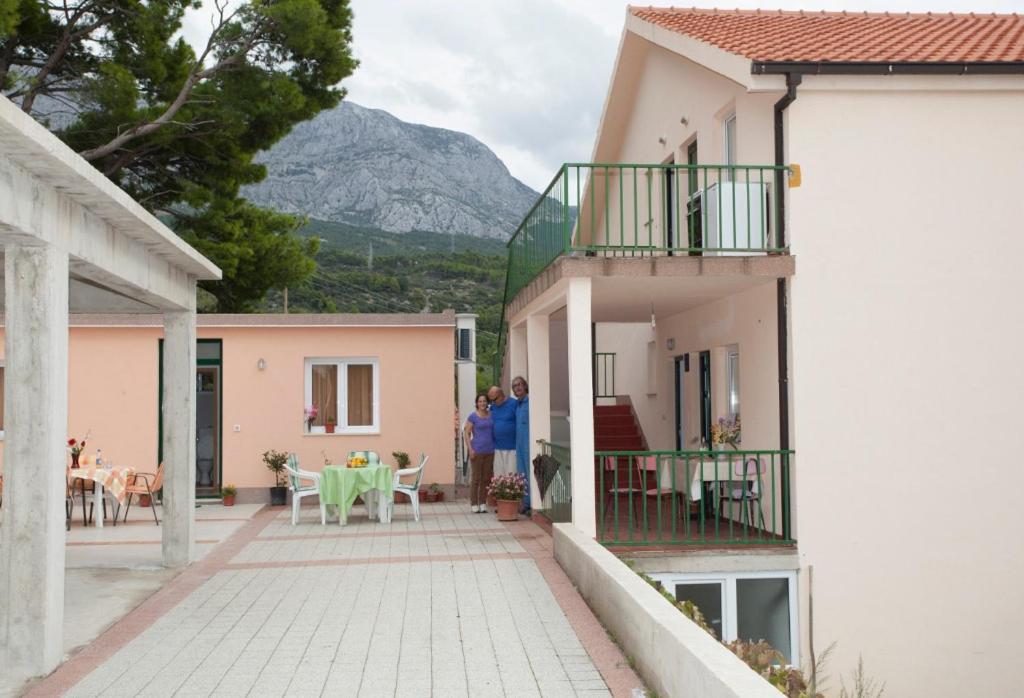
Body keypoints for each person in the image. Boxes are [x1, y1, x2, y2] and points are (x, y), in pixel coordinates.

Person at [463, 393, 495, 514]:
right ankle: (474, 503)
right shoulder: (473, 416)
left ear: (487, 403)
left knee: (486, 478)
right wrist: (470, 449)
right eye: (480, 401)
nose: (482, 403)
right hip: (477, 451)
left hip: (490, 451)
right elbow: (466, 433)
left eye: (484, 401)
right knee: (476, 478)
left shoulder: (491, 415)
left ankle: (482, 502)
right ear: (477, 403)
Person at [487, 385, 518, 478]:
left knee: (511, 476)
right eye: (491, 400)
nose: (492, 402)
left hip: (512, 448)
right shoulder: (493, 407)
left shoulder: (514, 404)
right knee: (498, 477)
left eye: (494, 399)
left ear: (501, 394)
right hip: (497, 448)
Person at [512, 376, 531, 513]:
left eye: (520, 384)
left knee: (529, 473)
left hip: (528, 444)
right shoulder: (517, 405)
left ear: (525, 386)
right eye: (515, 386)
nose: (518, 387)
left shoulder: (530, 402)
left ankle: (531, 504)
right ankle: (525, 503)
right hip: (519, 444)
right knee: (522, 474)